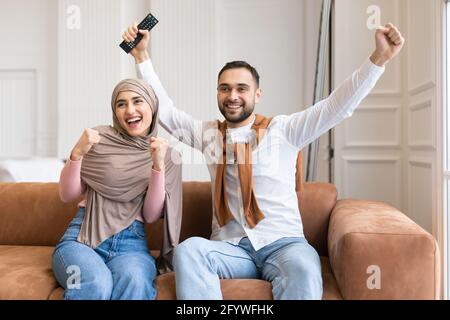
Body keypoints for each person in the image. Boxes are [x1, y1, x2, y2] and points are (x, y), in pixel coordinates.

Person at [121, 22, 405, 300]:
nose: (233, 96)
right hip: (231, 249)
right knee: (188, 251)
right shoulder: (209, 135)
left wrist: (378, 59)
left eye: (242, 88)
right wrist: (142, 57)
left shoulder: (285, 130)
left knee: (306, 270)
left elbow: (336, 106)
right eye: (225, 88)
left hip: (284, 245)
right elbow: (167, 113)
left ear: (257, 94)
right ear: (217, 93)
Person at [52, 79, 182, 300]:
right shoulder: (98, 138)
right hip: (81, 238)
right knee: (96, 282)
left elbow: (151, 215)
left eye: (137, 101)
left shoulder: (168, 155)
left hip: (132, 246)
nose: (129, 110)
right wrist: (76, 154)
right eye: (121, 104)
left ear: (151, 105)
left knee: (136, 282)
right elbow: (68, 195)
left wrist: (157, 167)